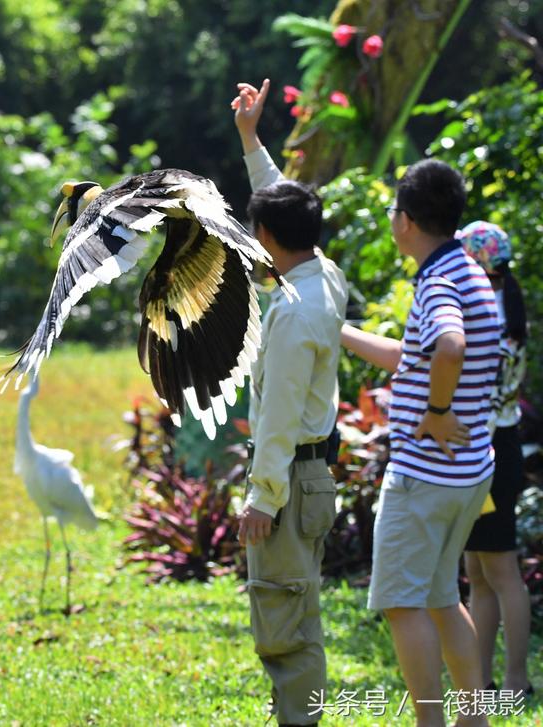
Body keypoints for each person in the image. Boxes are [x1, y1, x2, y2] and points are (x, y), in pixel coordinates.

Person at [341, 162, 501, 727]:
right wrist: (337, 327)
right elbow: (417, 355)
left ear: (405, 221)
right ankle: (473, 719)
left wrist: (434, 414)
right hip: (467, 471)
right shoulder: (468, 268)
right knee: (438, 598)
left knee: (402, 604)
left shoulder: (437, 282)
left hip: (426, 474)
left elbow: (450, 346)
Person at [231, 78, 348, 726]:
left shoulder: (297, 314)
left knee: (285, 621)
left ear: (267, 238)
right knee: (294, 608)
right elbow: (282, 206)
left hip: (292, 477)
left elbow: (276, 411)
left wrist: (261, 495)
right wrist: (252, 141)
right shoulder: (321, 273)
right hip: (311, 475)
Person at [460, 221, 532, 695]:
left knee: (501, 570)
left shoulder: (491, 323)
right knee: (478, 572)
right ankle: (483, 679)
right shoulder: (505, 308)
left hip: (490, 452)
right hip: (484, 450)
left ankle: (516, 680)